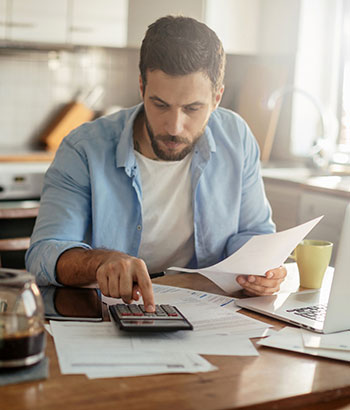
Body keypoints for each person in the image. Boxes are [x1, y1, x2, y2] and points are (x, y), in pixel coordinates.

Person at [26, 15, 287, 312]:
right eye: (160, 104)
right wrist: (102, 261)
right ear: (141, 87)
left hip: (206, 312)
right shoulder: (84, 148)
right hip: (105, 315)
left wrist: (261, 269)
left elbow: (254, 232)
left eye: (192, 108)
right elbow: (44, 254)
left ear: (217, 98)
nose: (174, 126)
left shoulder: (236, 137)